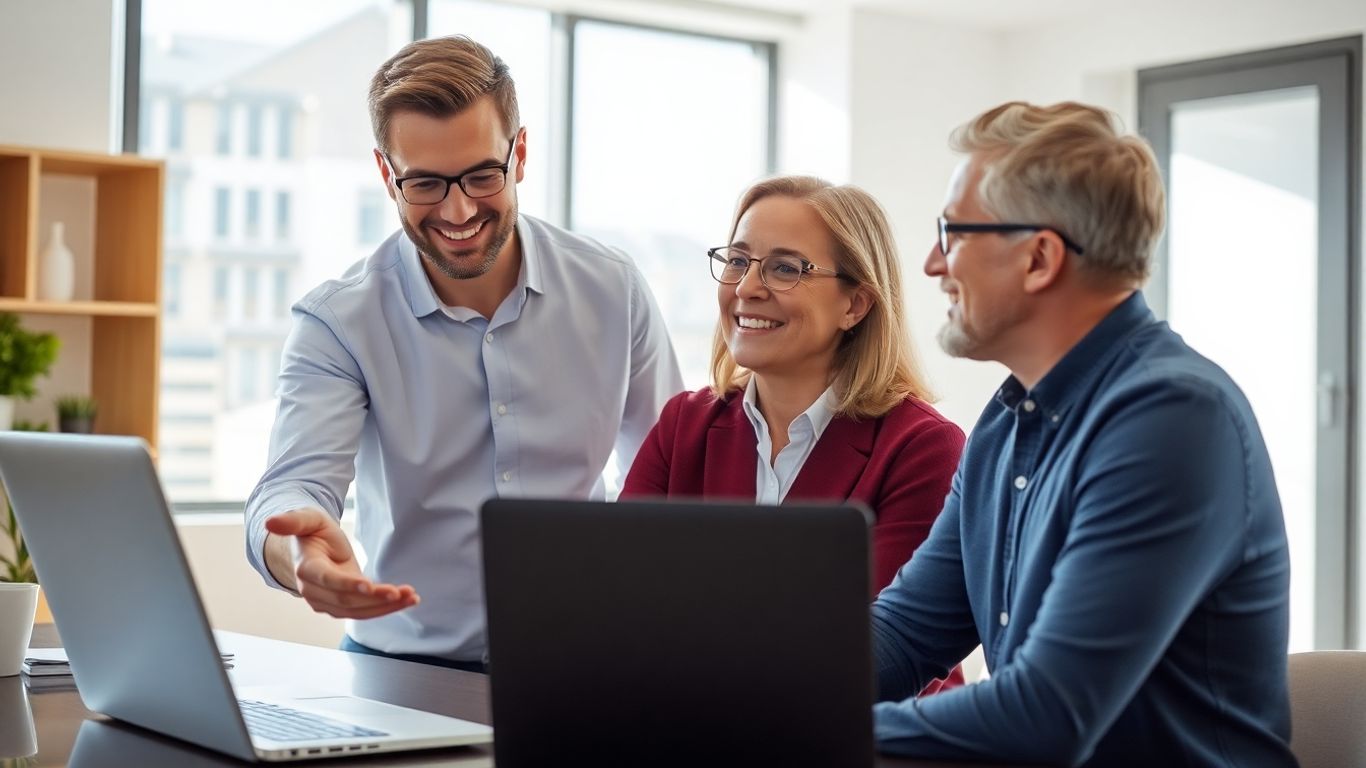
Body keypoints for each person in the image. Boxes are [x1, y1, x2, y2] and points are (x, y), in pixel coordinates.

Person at [871, 101, 1295, 766]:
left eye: (951, 233)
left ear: (1039, 258)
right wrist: (756, 695)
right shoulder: (1005, 423)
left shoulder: (1174, 419)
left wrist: (802, 733)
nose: (932, 264)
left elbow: (1046, 714)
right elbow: (905, 633)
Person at [243, 35, 683, 672]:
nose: (458, 210)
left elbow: (668, 479)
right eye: (424, 183)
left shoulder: (613, 290)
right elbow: (291, 487)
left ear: (519, 154)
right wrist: (299, 553)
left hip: (583, 662)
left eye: (482, 175)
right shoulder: (338, 323)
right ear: (386, 175)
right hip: (399, 669)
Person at [622, 175, 965, 632]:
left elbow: (883, 649)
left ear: (855, 305)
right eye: (737, 261)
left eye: (785, 269)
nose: (746, 287)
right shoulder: (684, 424)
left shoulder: (922, 449)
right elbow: (619, 602)